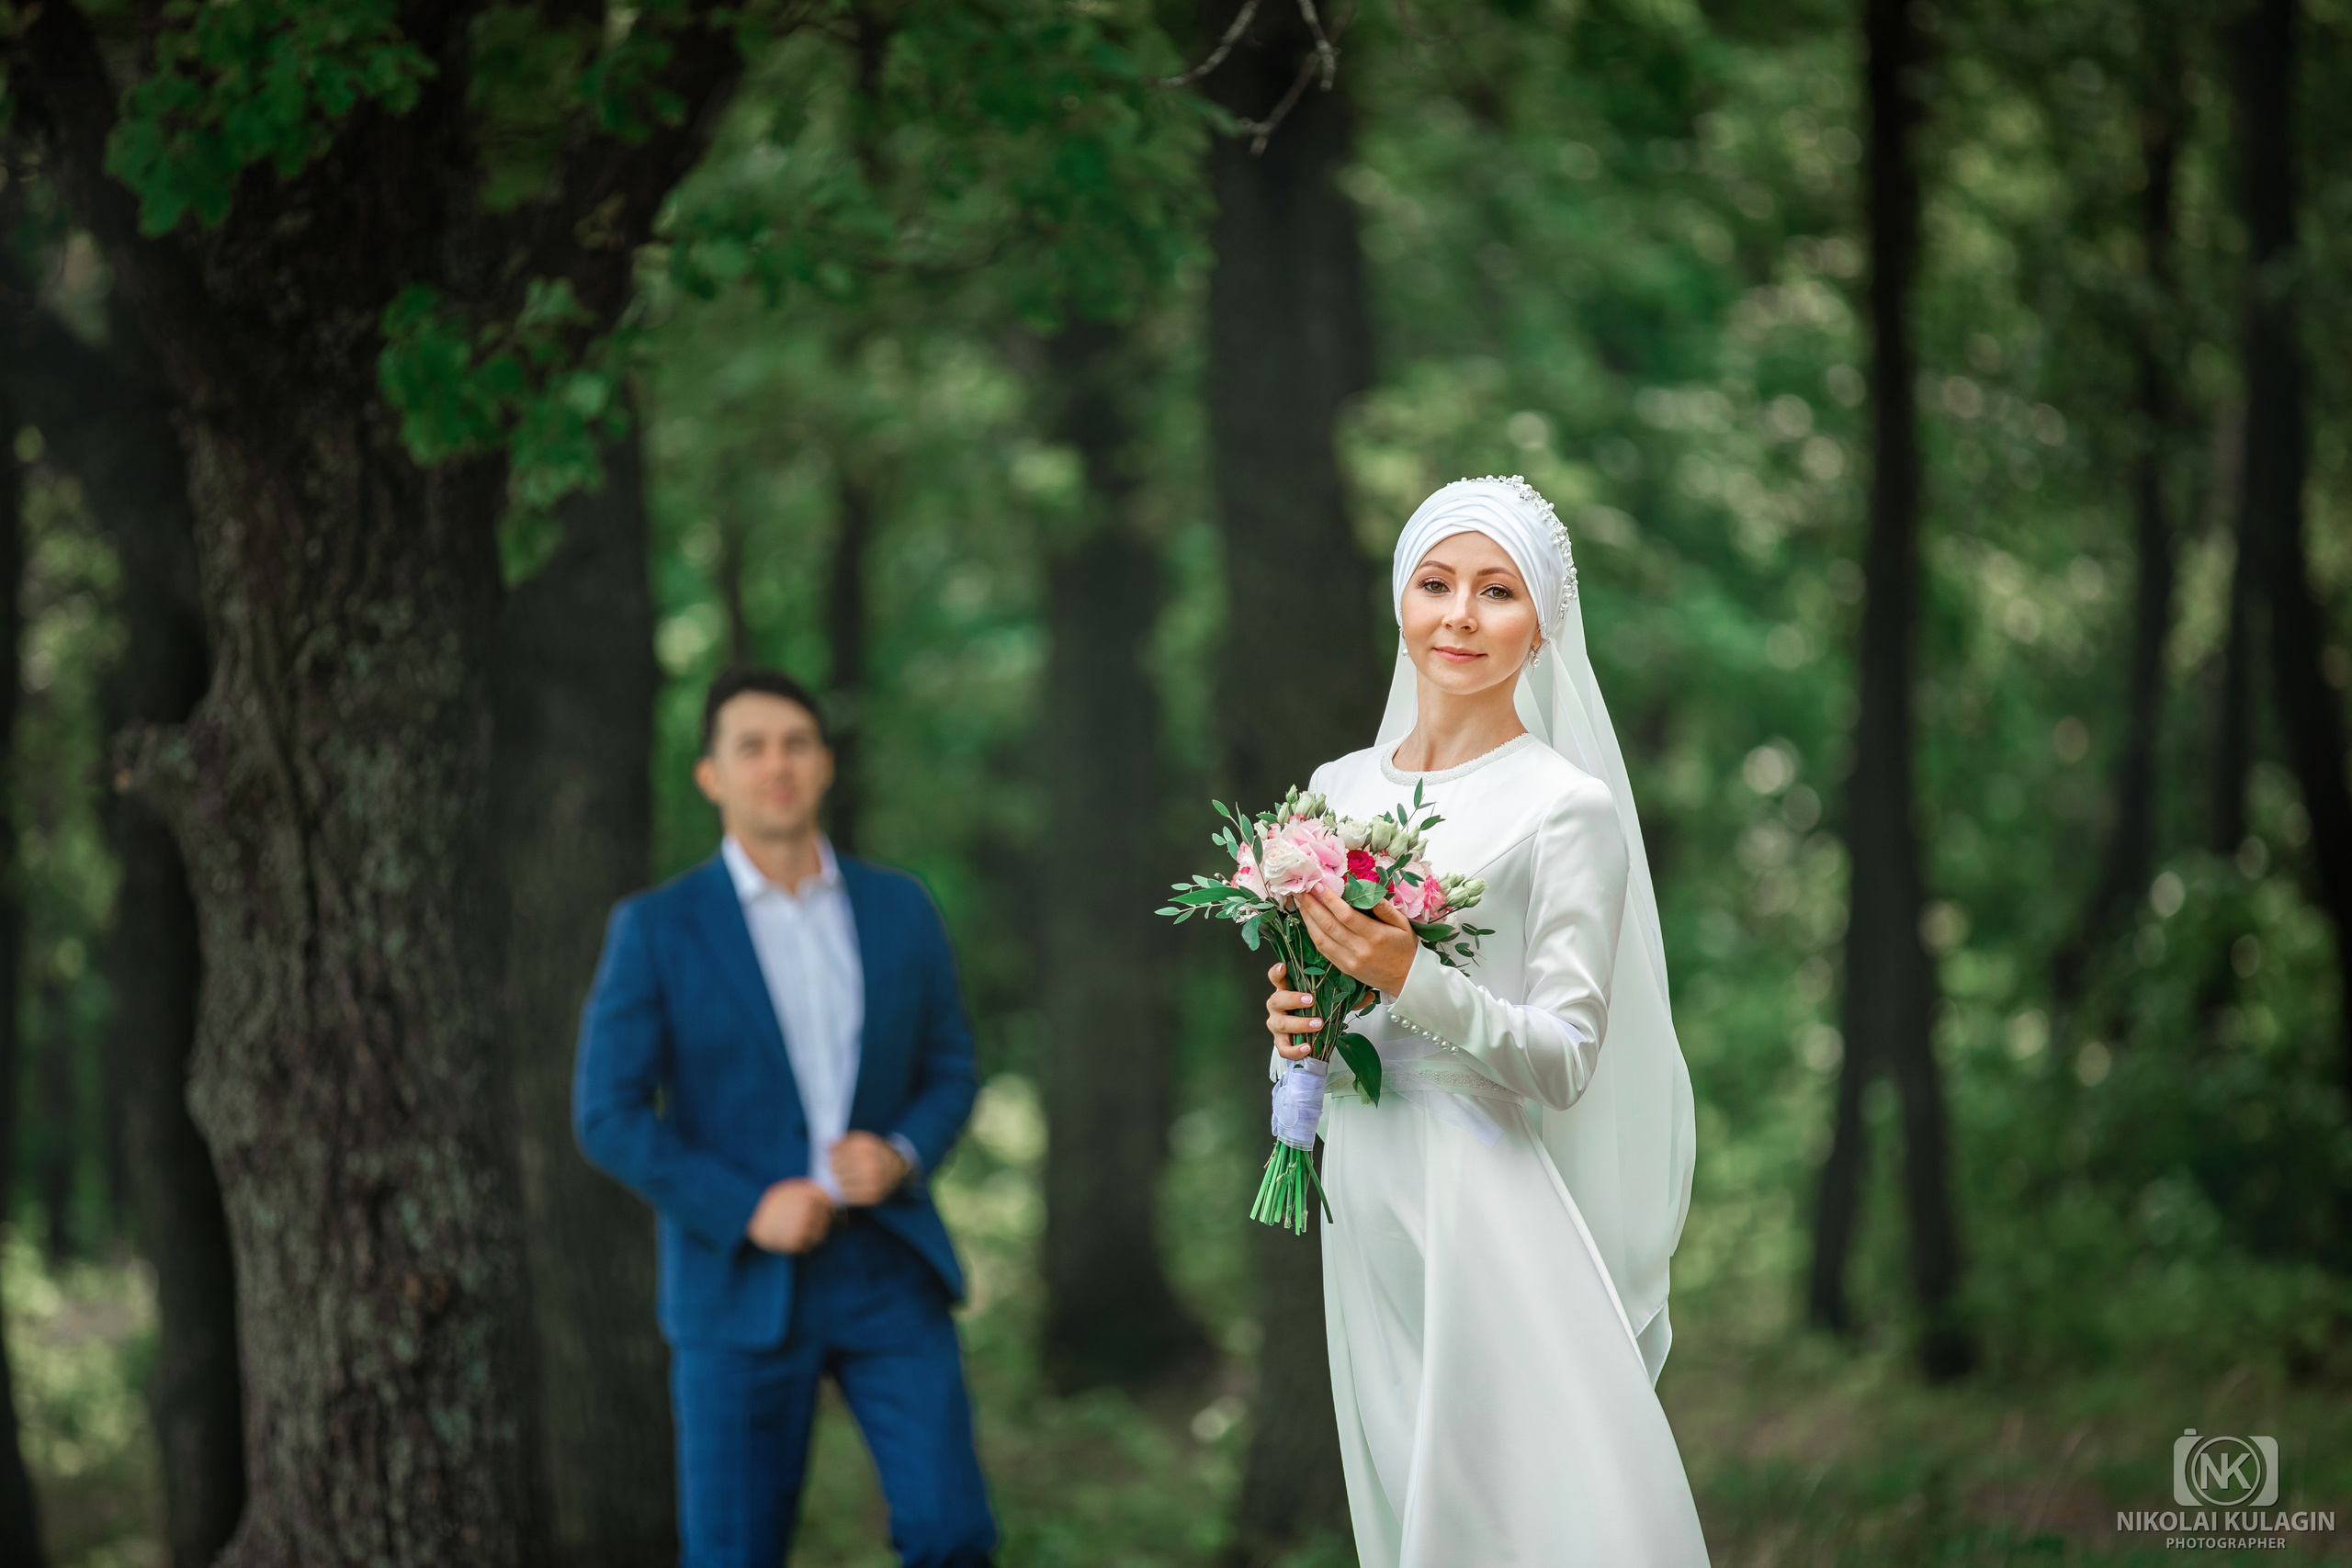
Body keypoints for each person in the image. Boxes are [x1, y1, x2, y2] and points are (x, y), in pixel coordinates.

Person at [1262, 476, 1708, 1564]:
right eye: (1436, 584)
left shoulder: (1565, 807)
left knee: (1523, 1514)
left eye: (1497, 591)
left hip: (1478, 1191)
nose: (1460, 615)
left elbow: (1565, 1060)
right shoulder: (1335, 789)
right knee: (1404, 1503)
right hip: (1361, 1193)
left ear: (1541, 625)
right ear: (1400, 603)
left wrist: (1410, 975)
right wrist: (1295, 1028)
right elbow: (1334, 1010)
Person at [574, 668, 996, 1568]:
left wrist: (901, 1151)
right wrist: (745, 1206)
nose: (778, 765)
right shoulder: (657, 927)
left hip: (888, 1265)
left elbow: (952, 1068)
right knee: (734, 1553)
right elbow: (606, 1112)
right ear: (710, 775)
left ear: (825, 764)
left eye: (796, 744)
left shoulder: (901, 907)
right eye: (752, 747)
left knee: (953, 1532)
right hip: (737, 1281)